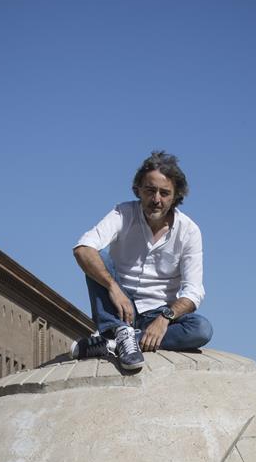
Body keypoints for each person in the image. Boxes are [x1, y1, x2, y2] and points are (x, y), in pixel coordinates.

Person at [72, 151, 212, 371]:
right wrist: (113, 288)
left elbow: (194, 291)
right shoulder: (123, 213)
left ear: (176, 196)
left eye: (164, 193)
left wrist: (165, 318)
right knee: (97, 255)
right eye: (150, 190)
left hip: (159, 312)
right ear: (137, 190)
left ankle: (114, 343)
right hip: (119, 309)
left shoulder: (189, 231)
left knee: (201, 329)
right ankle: (119, 333)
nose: (157, 199)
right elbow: (83, 249)